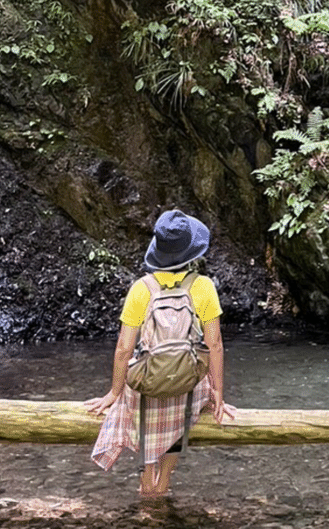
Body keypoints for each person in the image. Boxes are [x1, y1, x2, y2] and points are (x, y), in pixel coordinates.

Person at [85, 209, 235, 498]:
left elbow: (123, 348)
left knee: (139, 390)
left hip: (147, 390)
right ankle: (163, 482)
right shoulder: (203, 287)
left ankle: (147, 479)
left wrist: (114, 393)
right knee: (184, 402)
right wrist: (218, 392)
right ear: (190, 252)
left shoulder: (141, 290)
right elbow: (214, 345)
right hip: (187, 388)